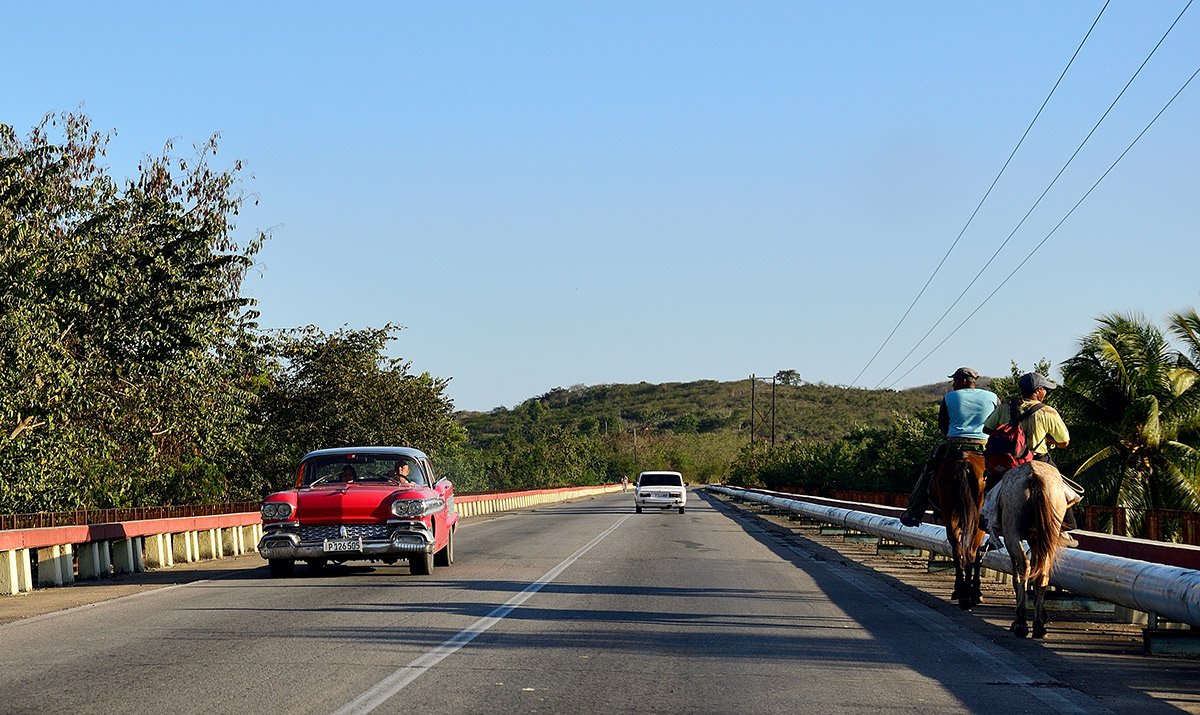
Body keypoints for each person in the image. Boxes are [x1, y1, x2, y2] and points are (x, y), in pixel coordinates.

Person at [982, 371, 1080, 547]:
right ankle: (1064, 529)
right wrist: (1048, 440)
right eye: (1045, 390)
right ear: (1039, 390)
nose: (1046, 393)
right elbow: (1064, 441)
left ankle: (991, 528)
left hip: (1010, 462)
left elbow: (987, 429)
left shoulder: (1005, 406)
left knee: (990, 489)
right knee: (1063, 489)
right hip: (1039, 458)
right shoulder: (1048, 412)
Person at [900, 367, 999, 527]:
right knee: (1001, 473)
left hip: (954, 443)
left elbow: (943, 425)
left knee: (929, 470)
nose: (953, 385)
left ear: (962, 381)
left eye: (955, 381)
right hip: (984, 445)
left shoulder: (950, 397)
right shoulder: (992, 397)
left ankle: (914, 511)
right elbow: (998, 423)